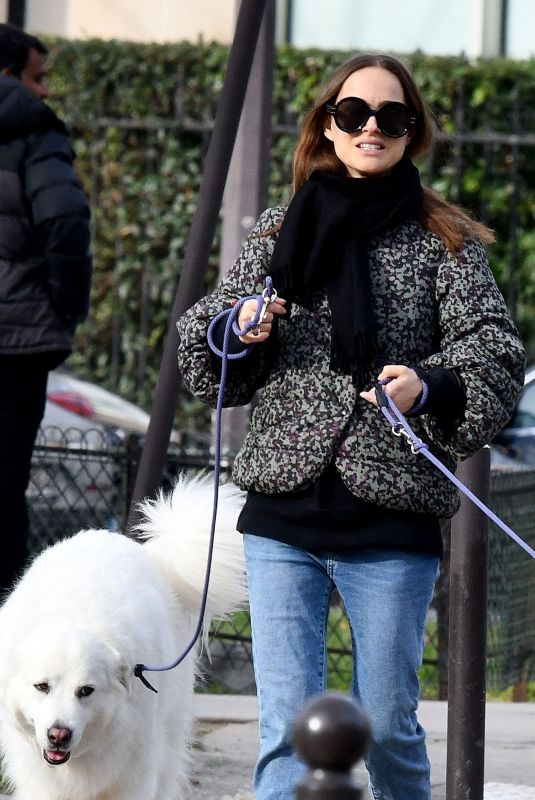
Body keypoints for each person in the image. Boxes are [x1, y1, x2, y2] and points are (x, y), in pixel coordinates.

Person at [176, 53, 525, 800]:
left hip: (391, 516)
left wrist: (426, 382)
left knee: (389, 722)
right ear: (326, 127)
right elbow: (203, 332)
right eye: (354, 113)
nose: (371, 127)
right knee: (287, 728)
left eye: (391, 117)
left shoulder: (446, 238)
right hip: (282, 514)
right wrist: (240, 322)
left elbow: (493, 351)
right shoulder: (277, 230)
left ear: (411, 132)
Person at [0, 24, 92, 595]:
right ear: (8, 76)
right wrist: (65, 307)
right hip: (15, 344)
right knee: (6, 489)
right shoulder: (34, 133)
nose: (46, 92)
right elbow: (63, 221)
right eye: (38, 78)